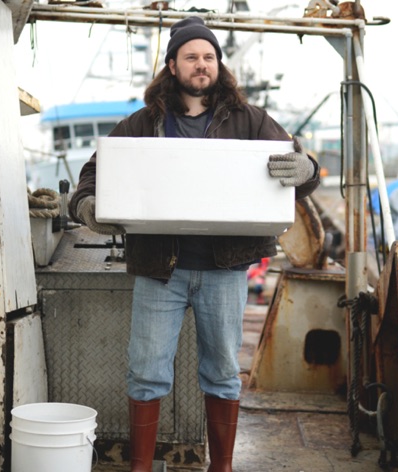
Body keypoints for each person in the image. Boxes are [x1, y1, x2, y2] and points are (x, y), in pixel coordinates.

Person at [69, 16, 320, 472]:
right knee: (145, 373)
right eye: (191, 57)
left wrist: (308, 170)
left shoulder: (250, 119)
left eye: (209, 57)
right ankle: (141, 467)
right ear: (172, 65)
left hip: (225, 268)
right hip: (160, 268)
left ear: (218, 65)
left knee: (223, 374)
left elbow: (298, 164)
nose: (201, 64)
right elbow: (95, 170)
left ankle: (220, 467)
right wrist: (86, 204)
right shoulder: (143, 122)